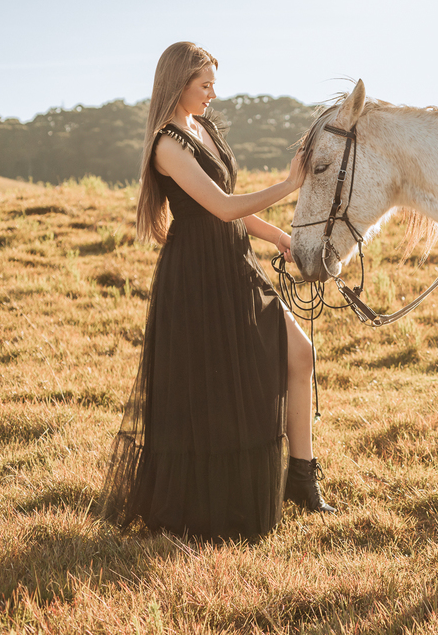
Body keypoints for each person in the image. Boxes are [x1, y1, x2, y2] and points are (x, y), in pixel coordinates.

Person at [101, 41, 334, 541]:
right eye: (204, 84)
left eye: (213, 83)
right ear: (178, 85)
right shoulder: (167, 145)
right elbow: (223, 206)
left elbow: (230, 209)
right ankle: (229, 498)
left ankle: (302, 477)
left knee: (300, 354)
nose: (212, 93)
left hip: (234, 262)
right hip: (196, 277)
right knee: (213, 393)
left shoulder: (202, 128)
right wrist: (291, 184)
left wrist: (280, 237)